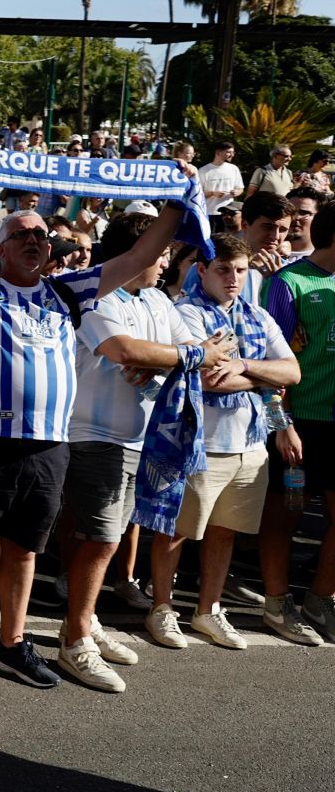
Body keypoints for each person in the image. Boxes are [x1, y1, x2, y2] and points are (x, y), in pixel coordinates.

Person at [0, 175, 188, 694]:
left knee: (23, 550)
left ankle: (12, 642)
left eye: (41, 236)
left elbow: (138, 259)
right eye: (20, 235)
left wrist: (180, 203)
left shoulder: (69, 289)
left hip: (48, 446)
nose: (33, 242)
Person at [60, 213, 222, 685]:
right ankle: (75, 641)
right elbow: (126, 351)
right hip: (93, 436)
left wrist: (165, 362)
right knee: (102, 539)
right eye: (162, 252)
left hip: (140, 438)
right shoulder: (96, 294)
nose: (168, 262)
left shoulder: (158, 300)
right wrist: (173, 359)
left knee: (106, 540)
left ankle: (85, 620)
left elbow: (203, 349)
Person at [153, 236, 298, 650]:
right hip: (200, 440)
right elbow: (205, 378)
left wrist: (244, 366)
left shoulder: (257, 315)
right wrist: (262, 376)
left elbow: (292, 373)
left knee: (225, 531)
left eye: (240, 270)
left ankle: (207, 610)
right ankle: (161, 608)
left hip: (250, 444)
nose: (233, 278)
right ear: (202, 270)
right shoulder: (186, 314)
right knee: (176, 532)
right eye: (223, 269)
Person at [270, 204, 335, 639]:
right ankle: (277, 604)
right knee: (283, 516)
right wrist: (281, 421)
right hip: (300, 421)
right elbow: (270, 357)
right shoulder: (289, 281)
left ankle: (319, 598)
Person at [198, 142, 242, 216]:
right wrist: (213, 193)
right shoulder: (203, 170)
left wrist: (236, 192)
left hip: (229, 214)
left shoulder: (234, 168)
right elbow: (198, 193)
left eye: (233, 152)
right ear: (218, 152)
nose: (232, 155)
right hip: (209, 213)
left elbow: (240, 188)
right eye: (228, 152)